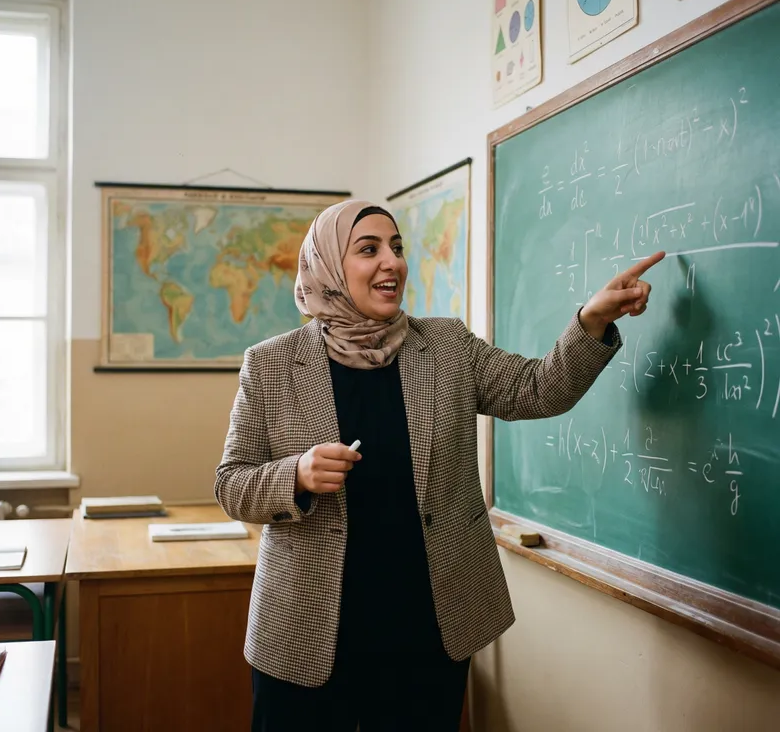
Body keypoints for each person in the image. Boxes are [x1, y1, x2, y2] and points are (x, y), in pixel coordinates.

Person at [215, 199, 664, 732]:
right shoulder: (271, 364)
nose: (392, 262)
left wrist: (590, 320)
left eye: (398, 248)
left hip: (426, 629)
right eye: (369, 249)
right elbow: (231, 484)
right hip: (308, 633)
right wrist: (296, 475)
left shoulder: (447, 345)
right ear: (329, 267)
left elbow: (537, 389)